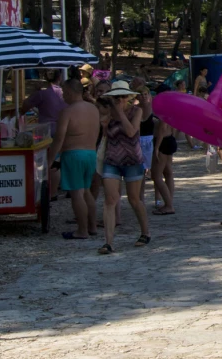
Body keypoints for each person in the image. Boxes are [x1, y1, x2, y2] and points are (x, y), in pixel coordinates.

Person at [98, 80, 150, 254]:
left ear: (128, 97)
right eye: (116, 97)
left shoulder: (136, 111)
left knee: (134, 199)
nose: (120, 100)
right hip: (112, 159)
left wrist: (120, 113)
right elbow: (106, 135)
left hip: (132, 160)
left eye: (122, 96)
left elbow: (131, 132)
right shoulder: (107, 113)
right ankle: (108, 242)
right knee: (110, 200)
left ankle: (145, 232)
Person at [52, 77, 101, 240]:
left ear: (70, 92)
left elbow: (59, 138)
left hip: (74, 154)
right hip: (90, 153)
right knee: (86, 191)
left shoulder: (68, 111)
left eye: (64, 92)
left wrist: (50, 159)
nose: (62, 96)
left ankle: (82, 230)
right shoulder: (93, 109)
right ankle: (92, 226)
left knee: (77, 193)